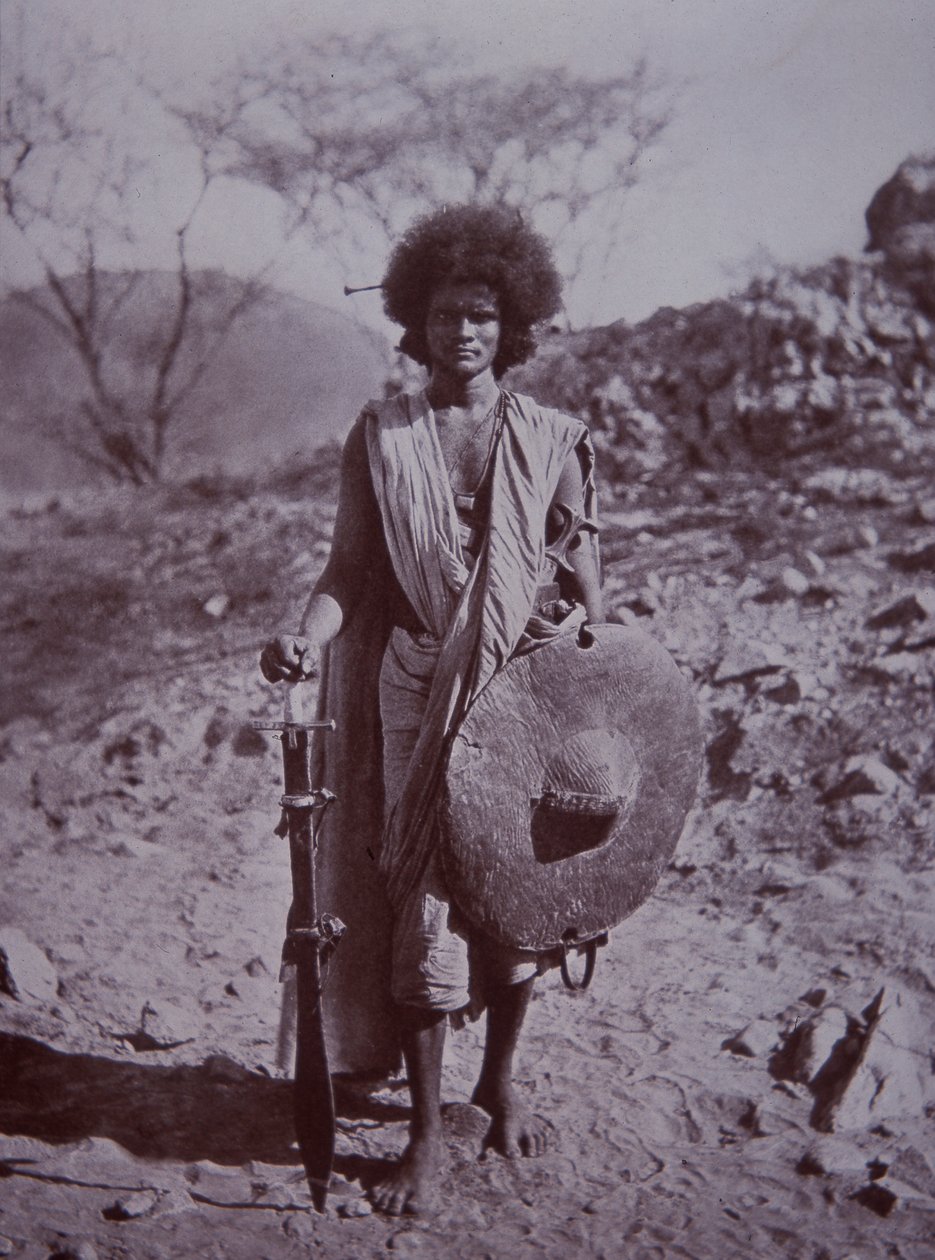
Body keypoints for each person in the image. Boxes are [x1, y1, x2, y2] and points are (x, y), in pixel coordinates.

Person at [260, 203, 602, 1216]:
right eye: (446, 312)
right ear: (416, 319)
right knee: (423, 901)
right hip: (413, 681)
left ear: (511, 325)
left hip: (520, 689)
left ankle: (497, 1083)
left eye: (482, 314)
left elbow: (586, 589)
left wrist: (578, 633)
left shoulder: (552, 438)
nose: (462, 330)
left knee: (517, 895)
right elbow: (348, 572)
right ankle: (421, 1135)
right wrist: (303, 635)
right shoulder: (382, 437)